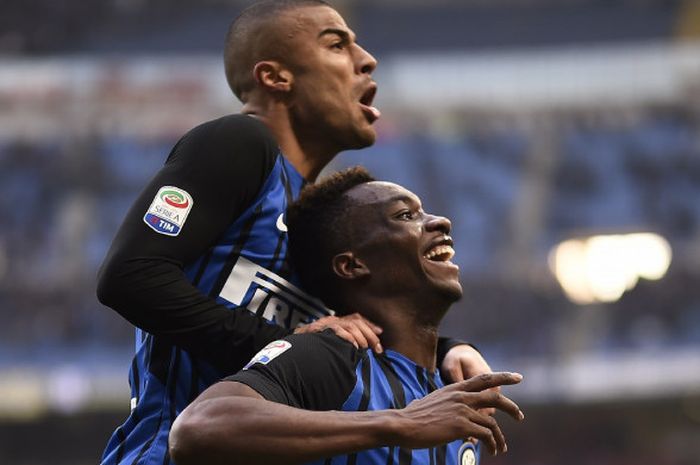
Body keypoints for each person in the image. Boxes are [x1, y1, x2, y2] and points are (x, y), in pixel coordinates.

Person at [97, 2, 493, 465]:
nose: (366, 59)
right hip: (170, 451)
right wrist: (274, 343)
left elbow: (347, 325)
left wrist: (447, 349)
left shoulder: (315, 215)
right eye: (337, 44)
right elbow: (131, 276)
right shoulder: (239, 144)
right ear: (275, 77)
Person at [169, 167, 525, 465]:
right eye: (406, 216)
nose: (441, 222)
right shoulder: (334, 357)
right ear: (352, 265)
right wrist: (400, 423)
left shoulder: (450, 391)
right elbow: (197, 427)